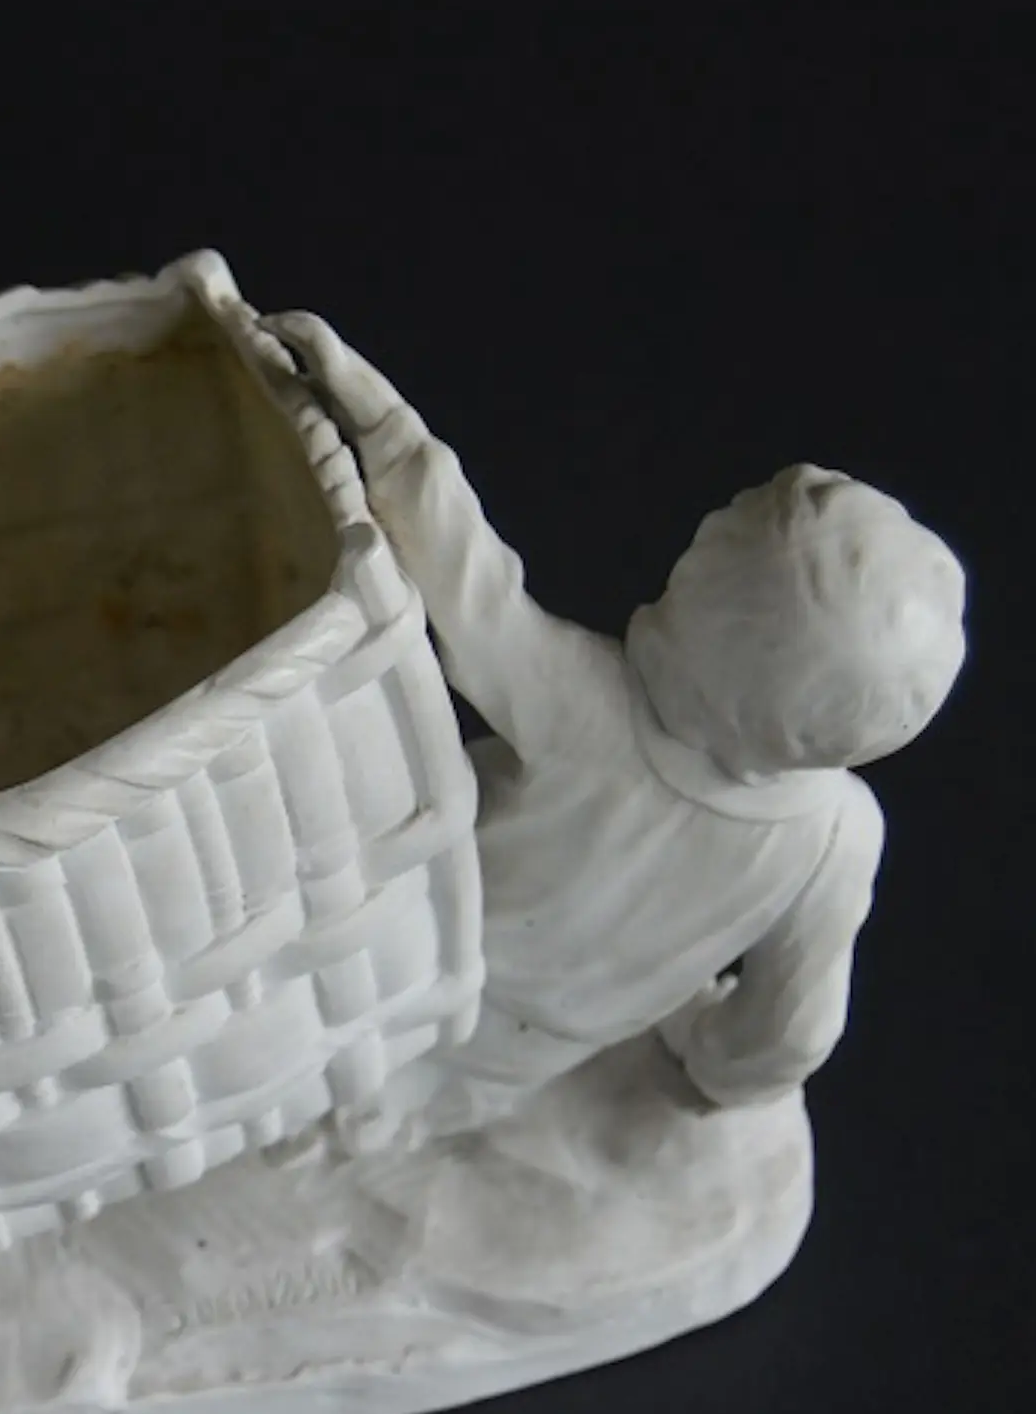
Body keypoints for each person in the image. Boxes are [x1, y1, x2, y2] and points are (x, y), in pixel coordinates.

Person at [265, 312, 966, 1137]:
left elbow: (468, 586)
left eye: (691, 574)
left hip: (398, 962)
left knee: (289, 1042)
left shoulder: (591, 709)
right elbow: (794, 1031)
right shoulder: (840, 838)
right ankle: (382, 1121)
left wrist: (382, 427)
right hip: (518, 1058)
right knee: (383, 1109)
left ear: (708, 633)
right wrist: (712, 1065)